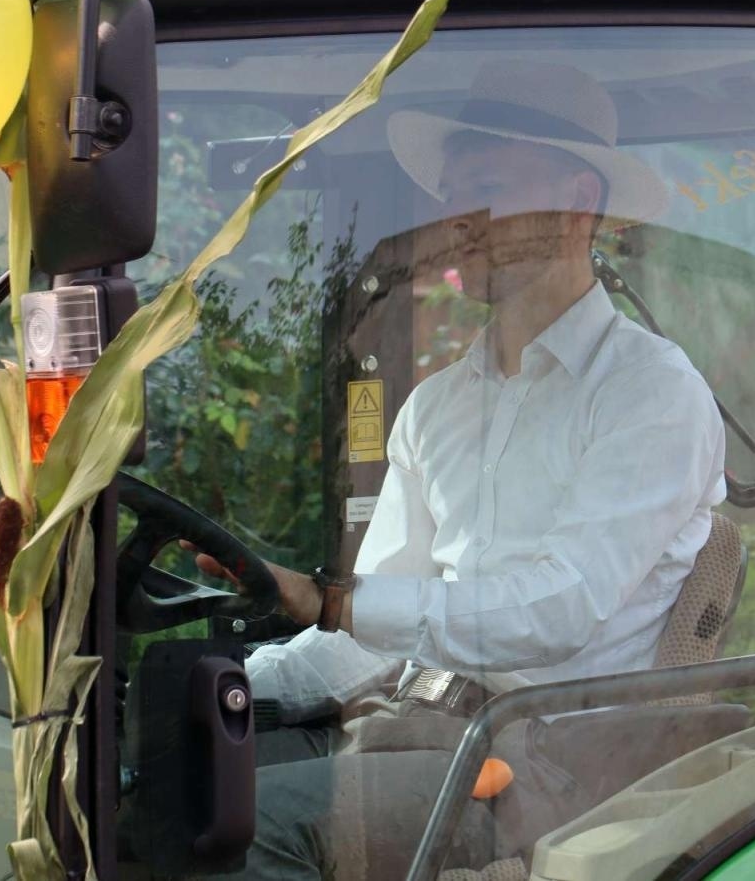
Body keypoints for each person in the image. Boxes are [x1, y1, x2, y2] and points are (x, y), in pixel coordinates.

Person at [197, 60, 727, 880]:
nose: (458, 219)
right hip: (419, 726)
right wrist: (219, 683)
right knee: (172, 781)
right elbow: (367, 640)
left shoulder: (650, 393)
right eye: (450, 193)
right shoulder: (437, 407)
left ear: (578, 201)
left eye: (487, 187)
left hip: (551, 768)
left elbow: (561, 610)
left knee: (251, 826)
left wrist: (334, 598)